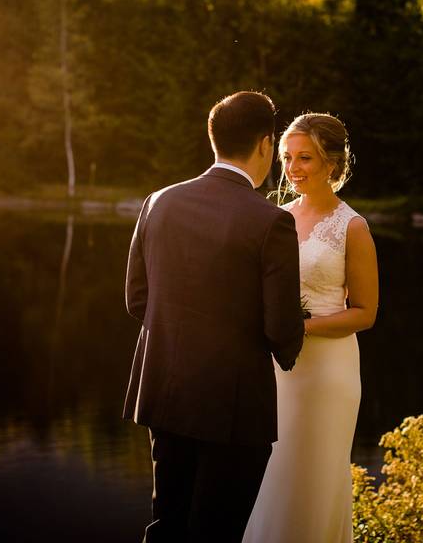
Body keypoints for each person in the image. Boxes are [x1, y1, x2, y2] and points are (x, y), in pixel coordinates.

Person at [122, 91, 305, 543]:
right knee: (216, 532)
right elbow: (281, 328)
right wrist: (290, 349)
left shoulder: (158, 201)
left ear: (214, 139)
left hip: (165, 390)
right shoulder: (270, 221)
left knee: (167, 525)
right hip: (234, 405)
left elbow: (137, 298)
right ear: (266, 143)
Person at [243, 113, 379, 543]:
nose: (293, 168)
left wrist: (300, 328)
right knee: (274, 472)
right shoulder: (276, 217)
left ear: (332, 165)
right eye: (287, 157)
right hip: (279, 368)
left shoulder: (352, 227)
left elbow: (365, 312)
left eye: (305, 158)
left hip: (327, 373)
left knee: (314, 473)